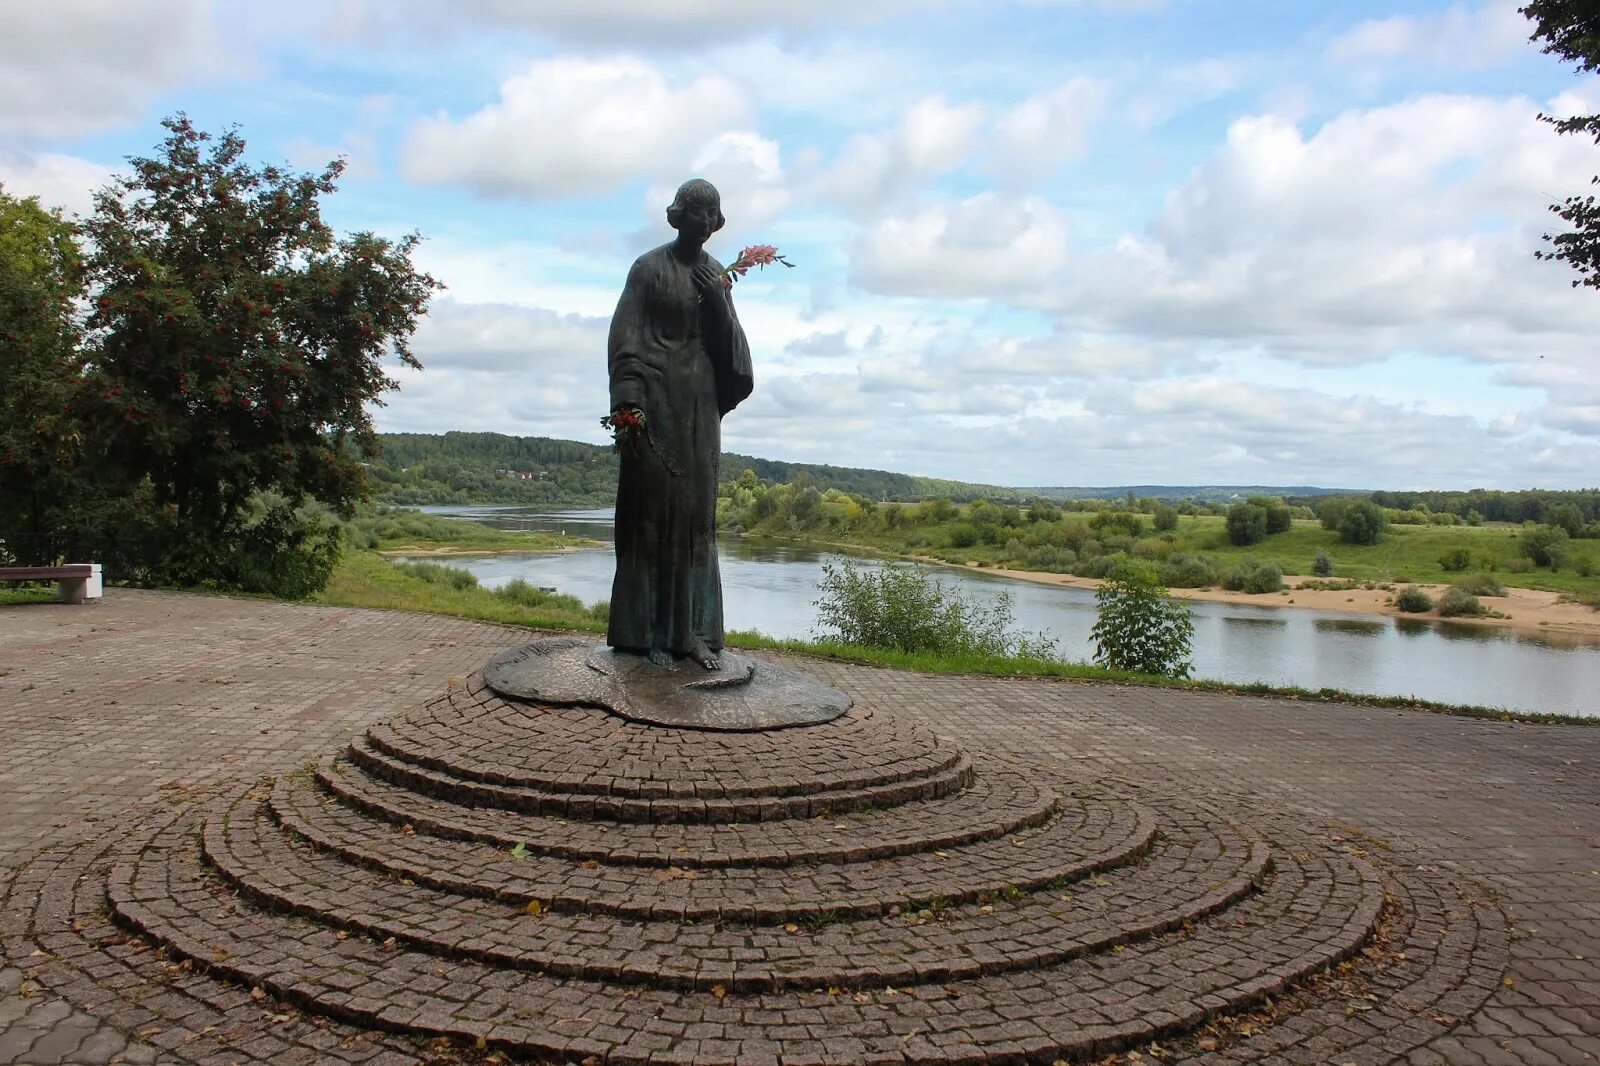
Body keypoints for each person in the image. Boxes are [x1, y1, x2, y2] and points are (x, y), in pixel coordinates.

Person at [606, 179, 753, 669]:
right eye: (699, 213)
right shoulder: (648, 268)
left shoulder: (716, 277)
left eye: (714, 214)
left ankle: (692, 632)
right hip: (655, 405)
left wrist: (716, 302)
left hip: (700, 409)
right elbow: (624, 335)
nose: (707, 222)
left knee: (695, 517)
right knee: (653, 516)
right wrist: (628, 403)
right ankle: (646, 633)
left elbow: (734, 351)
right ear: (679, 216)